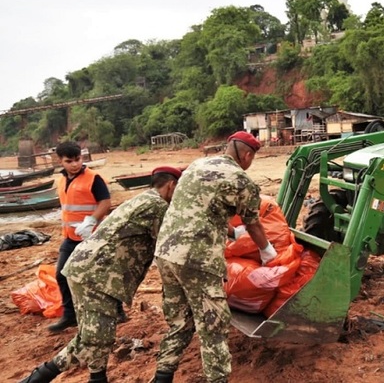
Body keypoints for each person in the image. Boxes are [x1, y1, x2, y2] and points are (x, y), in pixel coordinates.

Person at [17, 166, 182, 383]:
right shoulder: (157, 206)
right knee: (93, 339)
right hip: (96, 276)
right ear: (171, 185)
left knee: (96, 335)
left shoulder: (143, 198)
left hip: (90, 271)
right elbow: (169, 246)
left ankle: (97, 378)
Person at [151, 131, 277, 383]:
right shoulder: (241, 180)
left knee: (180, 320)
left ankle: (162, 376)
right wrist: (267, 251)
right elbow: (254, 224)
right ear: (247, 155)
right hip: (197, 259)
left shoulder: (195, 165)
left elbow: (197, 207)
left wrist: (229, 231)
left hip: (165, 253)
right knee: (214, 325)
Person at [48, 141, 113, 333]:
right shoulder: (61, 180)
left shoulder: (94, 178)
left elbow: (106, 201)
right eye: (69, 161)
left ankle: (117, 312)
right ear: (60, 161)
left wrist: (92, 221)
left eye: (78, 160)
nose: (75, 164)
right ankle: (70, 316)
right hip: (70, 236)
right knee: (61, 274)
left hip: (93, 236)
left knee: (100, 276)